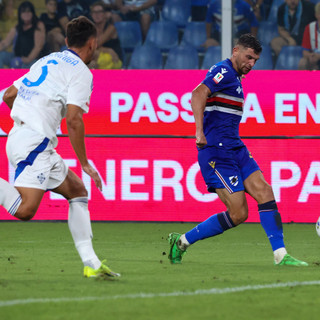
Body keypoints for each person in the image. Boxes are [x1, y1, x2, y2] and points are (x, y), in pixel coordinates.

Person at [167, 33, 308, 267]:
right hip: (216, 152)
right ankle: (181, 241)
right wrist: (199, 131)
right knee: (239, 213)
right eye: (248, 57)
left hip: (235, 147)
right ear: (235, 51)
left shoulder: (236, 78)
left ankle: (281, 255)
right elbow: (197, 93)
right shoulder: (223, 71)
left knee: (265, 191)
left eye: (255, 60)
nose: (251, 64)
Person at [0, 15, 120, 279]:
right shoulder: (81, 72)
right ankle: (90, 263)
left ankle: (91, 263)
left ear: (66, 41)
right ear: (92, 44)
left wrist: (27, 119)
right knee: (25, 210)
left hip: (26, 138)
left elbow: (9, 94)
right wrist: (85, 163)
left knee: (77, 190)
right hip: (35, 143)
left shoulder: (48, 59)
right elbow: (74, 120)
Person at [0, 1, 45, 68]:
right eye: (23, 12)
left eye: (28, 11)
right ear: (20, 14)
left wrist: (28, 59)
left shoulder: (38, 25)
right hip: (17, 57)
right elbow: (5, 42)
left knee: (23, 66)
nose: (26, 14)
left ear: (32, 13)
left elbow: (38, 47)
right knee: (2, 55)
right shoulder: (18, 27)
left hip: (33, 60)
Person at [89, 1, 123, 69]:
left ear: (105, 14)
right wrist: (107, 50)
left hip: (114, 59)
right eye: (94, 12)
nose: (96, 15)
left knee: (93, 56)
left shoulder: (111, 28)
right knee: (91, 62)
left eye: (99, 12)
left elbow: (96, 44)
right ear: (91, 15)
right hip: (101, 56)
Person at [298, 2, 320, 70]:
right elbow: (305, 51)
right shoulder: (309, 27)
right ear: (316, 15)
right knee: (302, 62)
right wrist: (310, 56)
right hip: (314, 58)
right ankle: (303, 80)